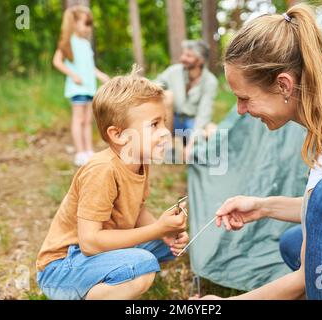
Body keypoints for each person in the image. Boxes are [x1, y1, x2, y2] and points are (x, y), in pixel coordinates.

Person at [195, 4, 322, 300]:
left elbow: (303, 277)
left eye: (244, 98)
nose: (240, 110)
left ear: (284, 85)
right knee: (295, 242)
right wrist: (263, 207)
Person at [36, 70, 189, 300]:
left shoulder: (139, 161)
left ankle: (108, 283)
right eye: (154, 125)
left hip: (96, 254)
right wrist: (157, 230)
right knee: (143, 265)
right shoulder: (102, 170)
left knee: (170, 246)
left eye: (164, 122)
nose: (165, 132)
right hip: (62, 267)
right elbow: (89, 242)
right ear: (118, 135)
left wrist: (164, 233)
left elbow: (137, 209)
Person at [53, 5, 110, 166]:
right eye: (86, 23)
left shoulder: (85, 44)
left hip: (89, 88)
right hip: (77, 88)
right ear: (75, 23)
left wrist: (100, 75)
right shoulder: (68, 43)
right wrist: (73, 75)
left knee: (87, 120)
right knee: (78, 119)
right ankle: (80, 152)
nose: (88, 28)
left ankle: (88, 150)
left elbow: (90, 67)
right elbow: (56, 61)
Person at [155, 40, 219, 150]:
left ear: (200, 60)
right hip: (171, 121)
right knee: (168, 95)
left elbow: (204, 113)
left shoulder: (210, 81)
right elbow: (154, 85)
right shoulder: (173, 71)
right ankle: (167, 145)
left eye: (188, 56)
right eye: (183, 54)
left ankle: (190, 145)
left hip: (192, 122)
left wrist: (192, 141)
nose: (182, 58)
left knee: (213, 130)